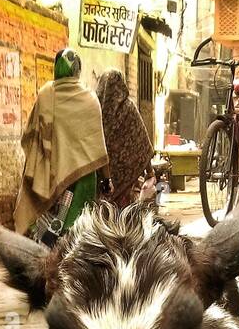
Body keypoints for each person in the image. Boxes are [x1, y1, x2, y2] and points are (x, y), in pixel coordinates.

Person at [14, 49, 109, 241]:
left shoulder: (45, 95)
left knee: (50, 232)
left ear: (56, 68)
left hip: (50, 175)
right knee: (79, 230)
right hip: (83, 177)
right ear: (78, 69)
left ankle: (49, 256)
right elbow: (98, 144)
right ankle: (76, 263)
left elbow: (31, 136)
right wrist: (107, 178)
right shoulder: (90, 99)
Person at [97, 69, 154, 209]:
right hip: (128, 173)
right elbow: (142, 141)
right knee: (125, 209)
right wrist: (150, 171)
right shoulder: (129, 107)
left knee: (103, 208)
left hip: (101, 174)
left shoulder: (95, 109)